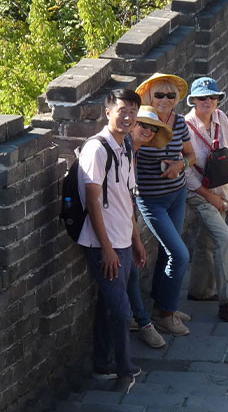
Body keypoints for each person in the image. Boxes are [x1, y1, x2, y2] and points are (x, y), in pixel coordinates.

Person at [77, 89, 145, 393]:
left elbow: (125, 198)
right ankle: (124, 370)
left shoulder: (126, 145)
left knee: (108, 304)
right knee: (121, 310)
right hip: (101, 243)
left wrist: (136, 239)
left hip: (122, 239)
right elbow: (93, 202)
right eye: (122, 110)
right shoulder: (97, 149)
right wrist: (106, 248)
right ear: (108, 112)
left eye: (133, 111)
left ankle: (102, 365)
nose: (128, 116)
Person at [183, 77, 228, 322]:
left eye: (212, 97)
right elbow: (187, 172)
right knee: (226, 240)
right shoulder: (185, 126)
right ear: (193, 101)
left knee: (207, 241)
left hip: (221, 190)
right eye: (202, 97)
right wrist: (210, 196)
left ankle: (199, 291)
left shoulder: (221, 118)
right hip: (199, 193)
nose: (208, 101)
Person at [135, 73, 195, 337]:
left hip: (177, 193)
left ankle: (163, 307)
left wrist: (180, 165)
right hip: (151, 199)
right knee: (180, 255)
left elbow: (190, 154)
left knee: (167, 252)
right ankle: (167, 315)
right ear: (149, 96)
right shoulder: (142, 124)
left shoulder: (179, 122)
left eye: (171, 95)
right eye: (159, 95)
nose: (165, 100)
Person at [125, 106, 173, 349]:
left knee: (131, 274)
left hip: (123, 220)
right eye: (142, 124)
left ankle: (139, 319)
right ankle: (143, 323)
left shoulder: (133, 153)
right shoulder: (122, 152)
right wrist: (136, 239)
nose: (147, 130)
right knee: (130, 274)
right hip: (112, 225)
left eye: (153, 128)